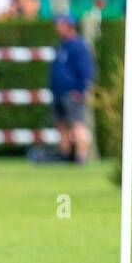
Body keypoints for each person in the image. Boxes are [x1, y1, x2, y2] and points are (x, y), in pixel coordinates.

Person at [49, 14, 94, 163]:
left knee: (76, 123)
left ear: (69, 26)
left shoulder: (79, 46)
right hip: (58, 92)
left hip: (72, 93)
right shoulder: (60, 45)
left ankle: (80, 156)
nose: (57, 28)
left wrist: (80, 90)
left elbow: (86, 70)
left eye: (60, 24)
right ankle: (64, 154)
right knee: (61, 124)